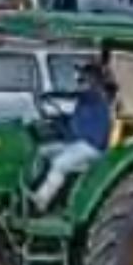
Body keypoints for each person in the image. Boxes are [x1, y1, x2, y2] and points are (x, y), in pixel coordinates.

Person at [31, 61, 116, 212]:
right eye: (81, 77)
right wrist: (54, 117)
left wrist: (49, 94)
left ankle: (40, 202)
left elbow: (74, 94)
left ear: (94, 79)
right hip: (77, 144)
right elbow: (73, 120)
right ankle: (32, 191)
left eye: (83, 77)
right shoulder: (85, 100)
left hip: (91, 147)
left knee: (60, 163)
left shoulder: (95, 96)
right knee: (40, 152)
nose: (79, 80)